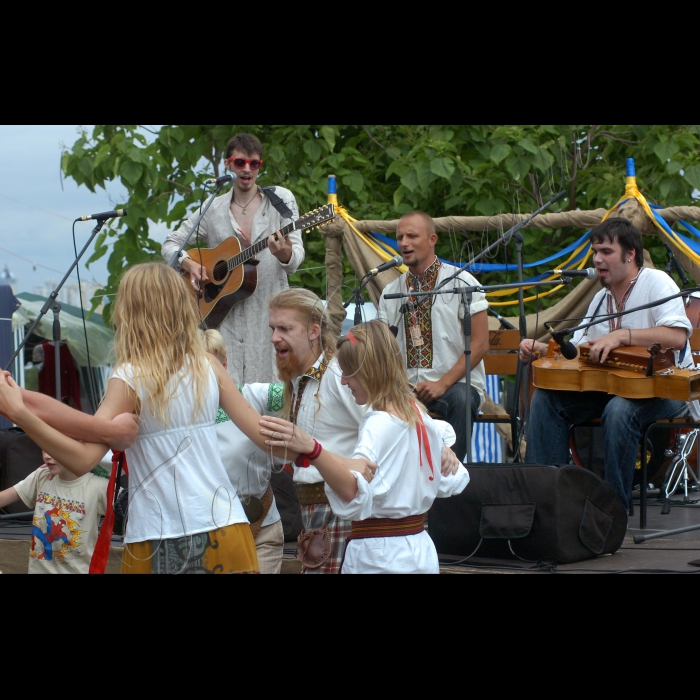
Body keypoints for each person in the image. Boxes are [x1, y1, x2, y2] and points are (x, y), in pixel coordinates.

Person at [0, 262, 301, 575]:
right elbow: (267, 438)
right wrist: (308, 445)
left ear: (130, 313)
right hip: (225, 528)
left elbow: (81, 459)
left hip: (157, 537)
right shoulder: (207, 365)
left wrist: (20, 411)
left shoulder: (129, 377)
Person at [263, 287, 461, 574]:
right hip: (320, 513)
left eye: (284, 328)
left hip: (344, 513)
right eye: (272, 328)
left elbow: (391, 414)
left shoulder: (336, 376)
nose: (274, 337)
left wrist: (438, 444)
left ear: (313, 331)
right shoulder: (300, 381)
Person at [519, 217, 693, 509]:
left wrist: (622, 336)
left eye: (606, 251)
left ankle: (613, 511)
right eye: (595, 251)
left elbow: (675, 336)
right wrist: (543, 349)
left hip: (667, 390)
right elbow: (578, 349)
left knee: (620, 409)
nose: (597, 259)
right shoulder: (601, 297)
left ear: (630, 254)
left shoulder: (656, 282)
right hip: (614, 388)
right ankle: (547, 501)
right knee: (548, 399)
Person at [161, 132, 305, 385]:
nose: (247, 169)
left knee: (273, 399)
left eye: (254, 164)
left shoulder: (281, 200)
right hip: (223, 321)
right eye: (240, 163)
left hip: (269, 319)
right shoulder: (213, 208)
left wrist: (286, 254)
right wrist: (188, 263)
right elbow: (171, 244)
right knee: (226, 400)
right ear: (227, 165)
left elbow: (296, 257)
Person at [377, 211, 490, 462]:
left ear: (432, 239)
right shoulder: (391, 292)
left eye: (412, 236)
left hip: (454, 388)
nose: (404, 243)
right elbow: (382, 349)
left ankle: (452, 476)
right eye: (400, 237)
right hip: (406, 391)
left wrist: (442, 384)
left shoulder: (463, 283)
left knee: (462, 398)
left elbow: (481, 344)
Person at [200, 328, 285, 574]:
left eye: (212, 364)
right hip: (211, 532)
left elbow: (297, 390)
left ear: (224, 363)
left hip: (263, 527)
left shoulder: (253, 395)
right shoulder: (181, 415)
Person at [0, 450, 108, 574]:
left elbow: (129, 509)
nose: (47, 456)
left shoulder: (99, 486)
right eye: (44, 448)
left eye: (54, 448)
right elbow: (4, 497)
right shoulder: (41, 476)